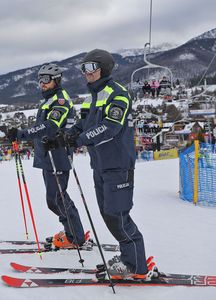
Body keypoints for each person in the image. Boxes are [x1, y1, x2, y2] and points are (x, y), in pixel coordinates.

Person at [53, 49, 156, 279]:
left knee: (118, 215)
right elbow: (81, 125)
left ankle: (136, 266)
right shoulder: (92, 97)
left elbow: (111, 127)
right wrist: (63, 136)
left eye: (90, 67)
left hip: (118, 164)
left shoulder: (117, 94)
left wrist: (78, 139)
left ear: (104, 68)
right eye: (83, 68)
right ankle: (128, 259)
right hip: (99, 165)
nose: (85, 73)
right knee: (108, 214)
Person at [7, 63, 87, 249]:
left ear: (56, 80)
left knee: (57, 199)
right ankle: (72, 233)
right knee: (55, 199)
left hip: (57, 156)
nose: (42, 83)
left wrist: (23, 134)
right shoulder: (49, 100)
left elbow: (50, 126)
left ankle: (75, 237)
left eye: (46, 79)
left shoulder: (60, 101)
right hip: (48, 156)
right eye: (40, 80)